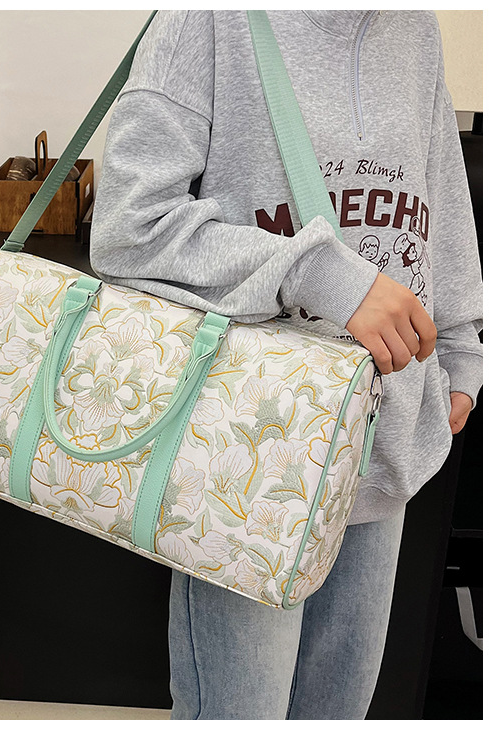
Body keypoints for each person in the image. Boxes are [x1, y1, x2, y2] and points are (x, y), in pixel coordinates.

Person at [89, 10, 482, 720]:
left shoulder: (414, 30)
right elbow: (129, 230)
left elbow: (439, 194)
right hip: (248, 454)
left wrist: (460, 342)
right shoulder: (206, 21)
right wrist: (319, 275)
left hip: (381, 435)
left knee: (339, 709)